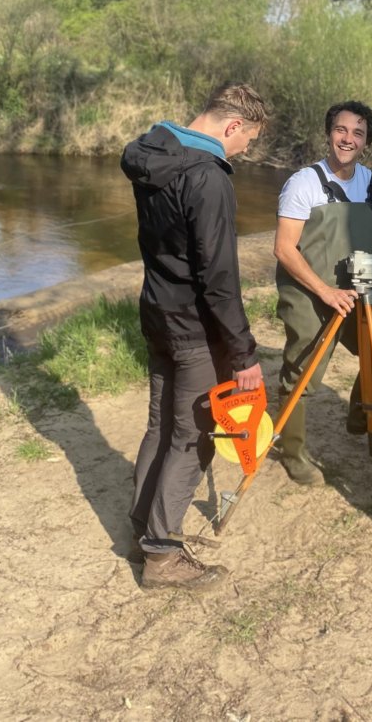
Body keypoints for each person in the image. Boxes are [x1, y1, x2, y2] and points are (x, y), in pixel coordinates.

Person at [122, 82, 268, 591]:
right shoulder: (207, 178)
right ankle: (162, 556)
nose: (244, 151)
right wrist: (243, 354)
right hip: (194, 330)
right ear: (232, 126)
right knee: (195, 436)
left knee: (161, 424)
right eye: (245, 141)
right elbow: (218, 278)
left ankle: (144, 528)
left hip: (157, 312)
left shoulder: (152, 154)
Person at [272, 101, 372, 486]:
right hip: (308, 292)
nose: (348, 139)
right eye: (341, 130)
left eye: (357, 133)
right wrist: (325, 292)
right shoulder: (303, 183)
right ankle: (293, 451)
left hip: (357, 290)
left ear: (367, 142)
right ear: (329, 133)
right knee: (302, 372)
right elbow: (284, 249)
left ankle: (360, 413)